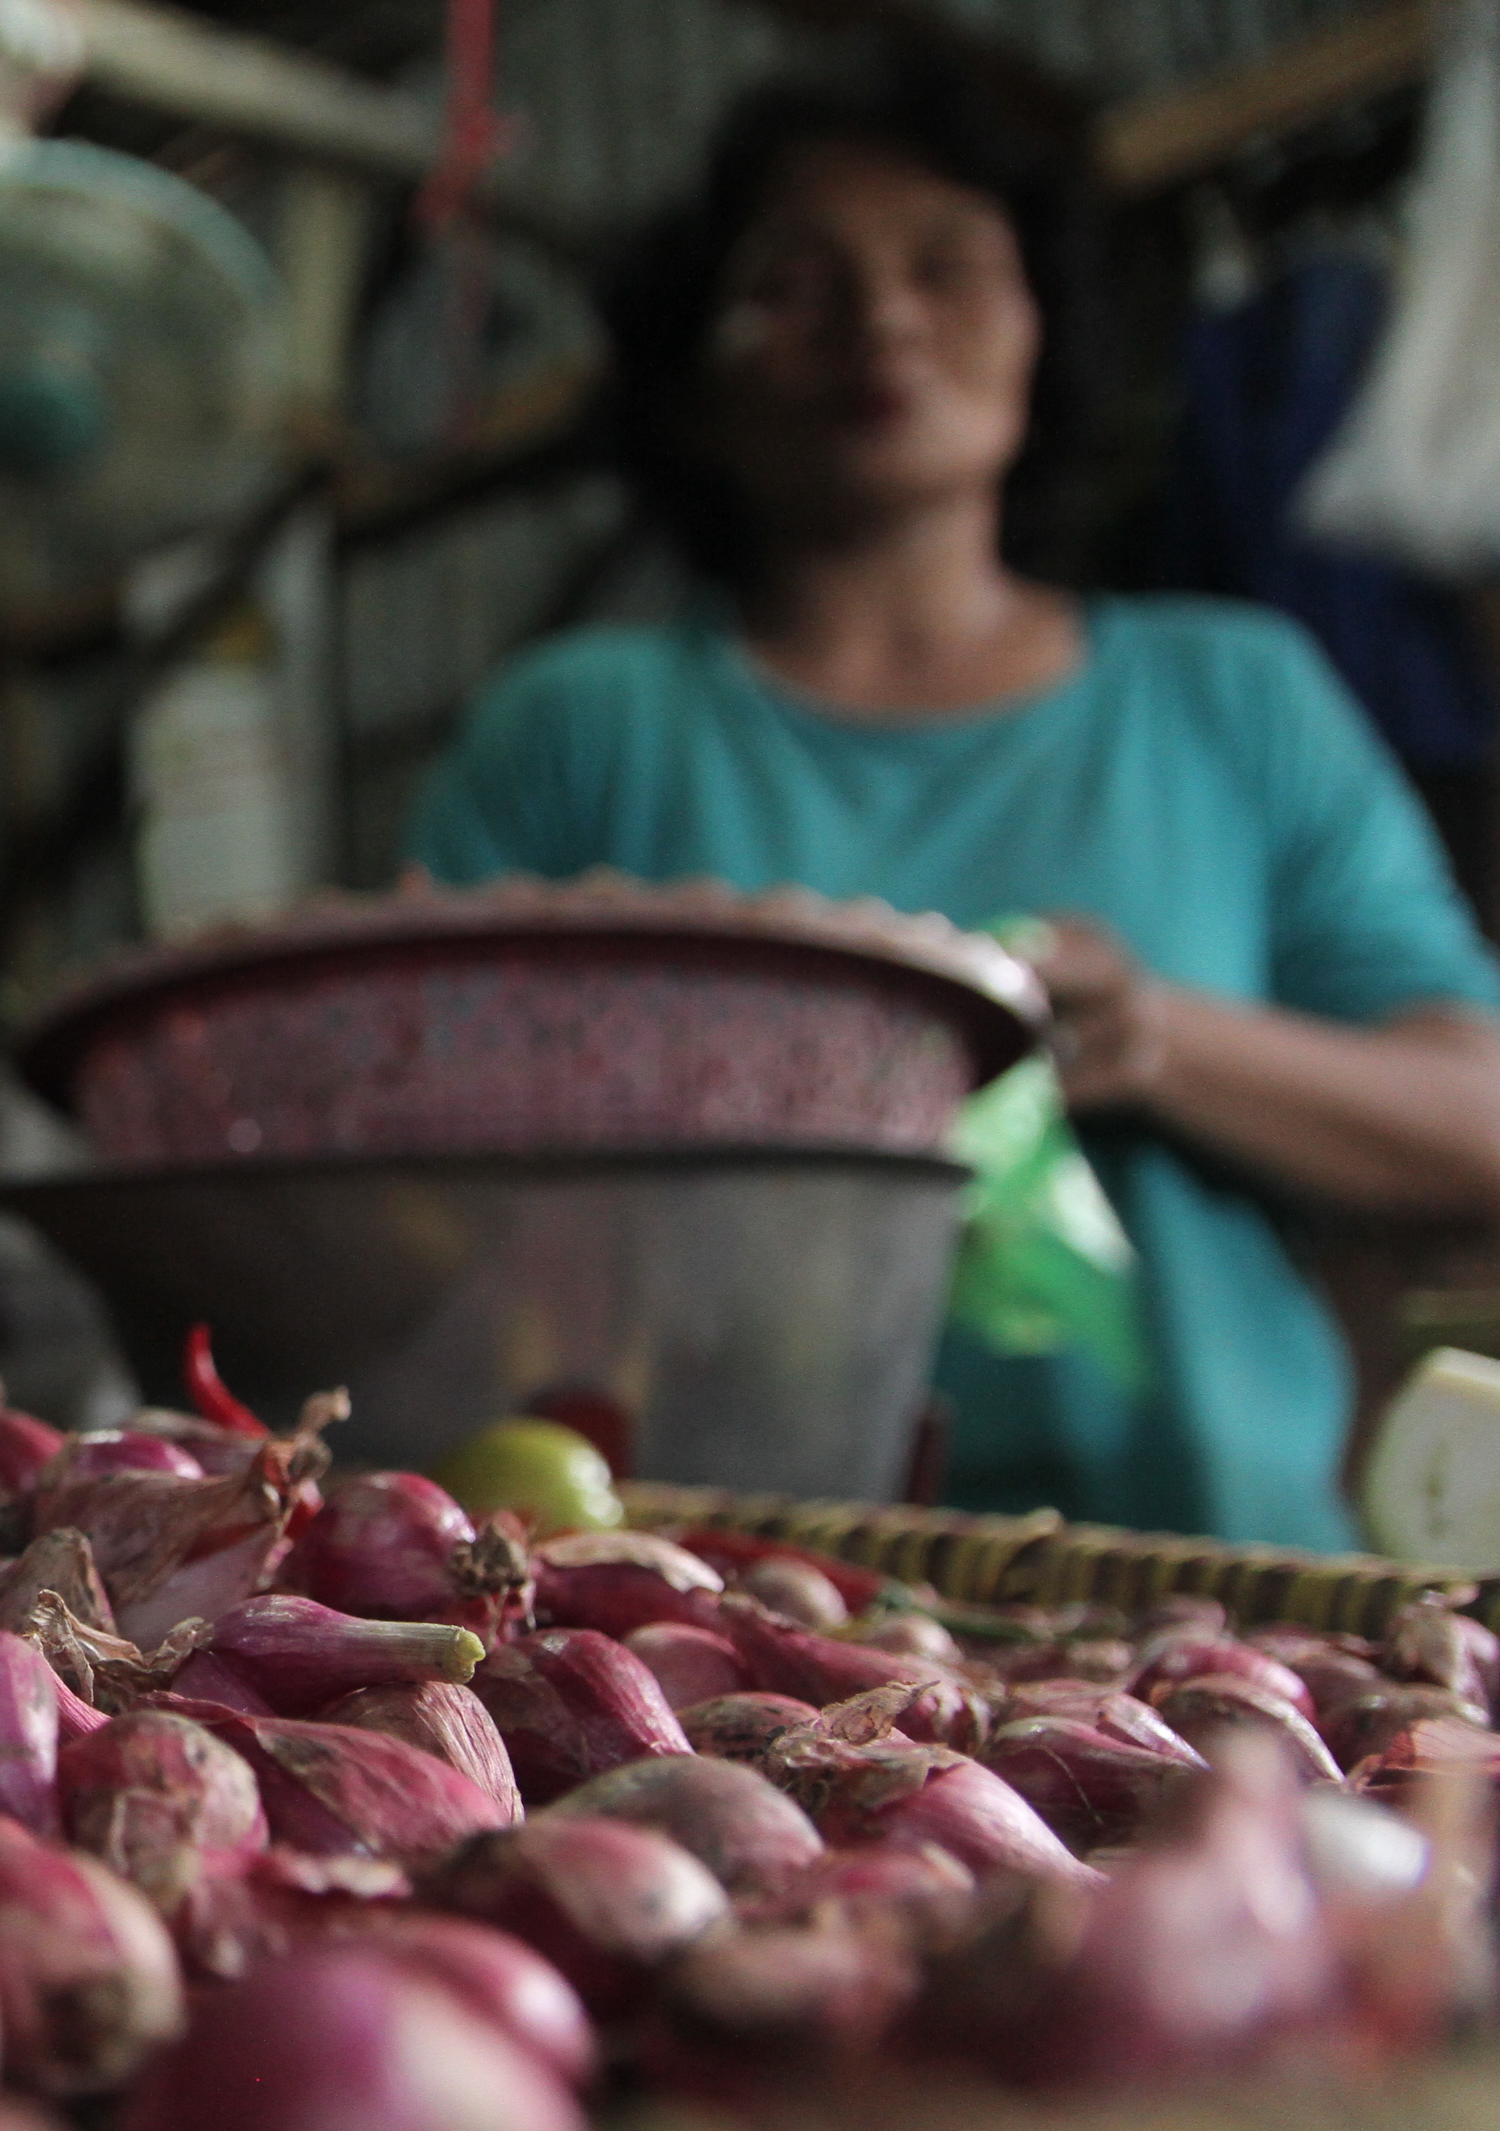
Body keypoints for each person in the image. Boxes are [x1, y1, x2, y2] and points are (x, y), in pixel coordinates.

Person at [406, 57, 1500, 1550]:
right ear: (695, 371)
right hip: (709, 1612)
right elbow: (402, 1156)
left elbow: (1477, 1117)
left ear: (1047, 333)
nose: (883, 319)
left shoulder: (1231, 698)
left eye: (950, 266)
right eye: (797, 279)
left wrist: (1157, 1039)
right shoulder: (580, 731)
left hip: (1218, 1588)